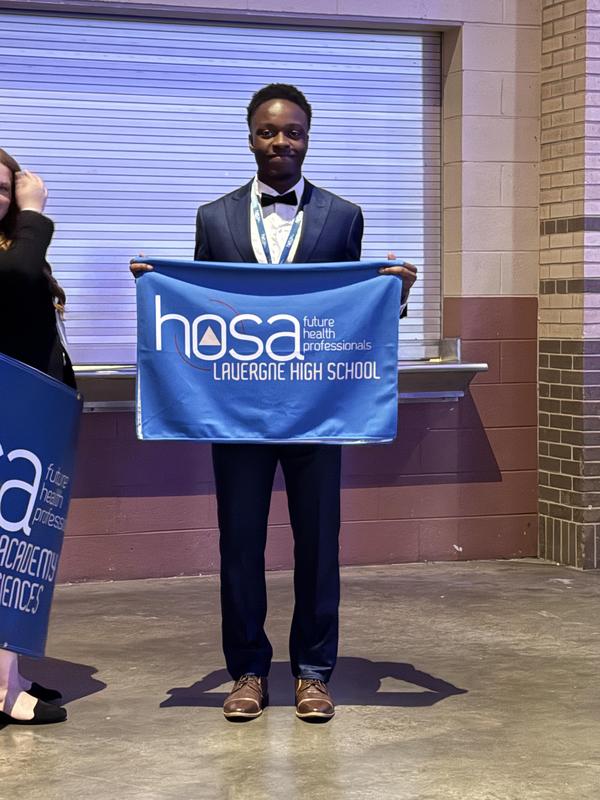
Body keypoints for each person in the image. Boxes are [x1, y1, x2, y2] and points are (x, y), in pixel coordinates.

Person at [133, 84, 417, 721]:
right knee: (240, 543)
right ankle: (248, 672)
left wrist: (393, 293)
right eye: (268, 132)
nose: (280, 142)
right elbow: (204, 301)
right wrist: (159, 288)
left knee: (320, 543)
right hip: (236, 414)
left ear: (308, 138)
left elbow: (352, 308)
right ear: (250, 136)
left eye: (292, 132)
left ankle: (314, 673)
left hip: (318, 411)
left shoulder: (345, 216)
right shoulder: (214, 217)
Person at [0, 147, 73, 725]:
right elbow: (19, 277)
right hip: (8, 423)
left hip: (28, 422)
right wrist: (35, 211)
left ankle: (9, 675)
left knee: (18, 555)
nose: (3, 199)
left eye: (5, 188)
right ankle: (2, 694)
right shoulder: (20, 249)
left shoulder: (12, 246)